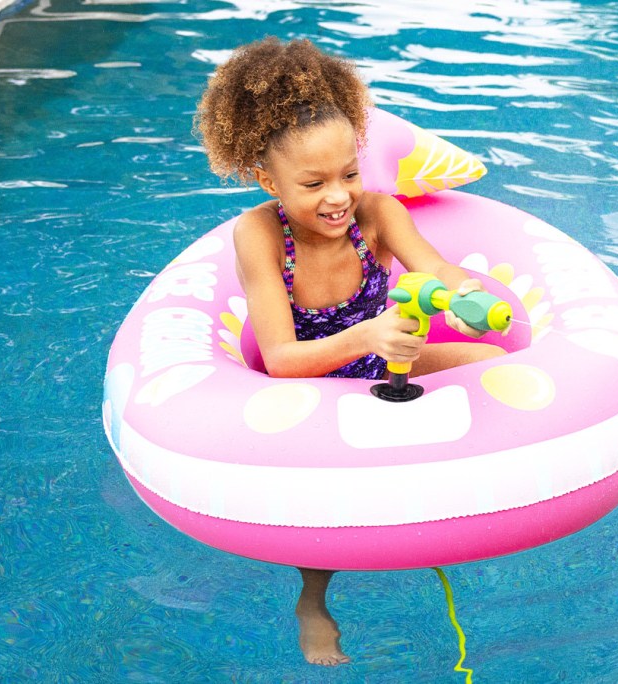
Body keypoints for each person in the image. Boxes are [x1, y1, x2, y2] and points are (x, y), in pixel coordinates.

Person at [194, 36, 503, 666]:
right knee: (319, 486)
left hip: (383, 362)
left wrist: (463, 298)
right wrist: (368, 335)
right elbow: (278, 357)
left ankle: (458, 506)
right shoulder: (258, 234)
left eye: (349, 173)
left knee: (493, 366)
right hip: (306, 385)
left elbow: (435, 267)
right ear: (267, 179)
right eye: (313, 183)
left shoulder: (379, 214)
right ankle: (313, 597)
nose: (337, 196)